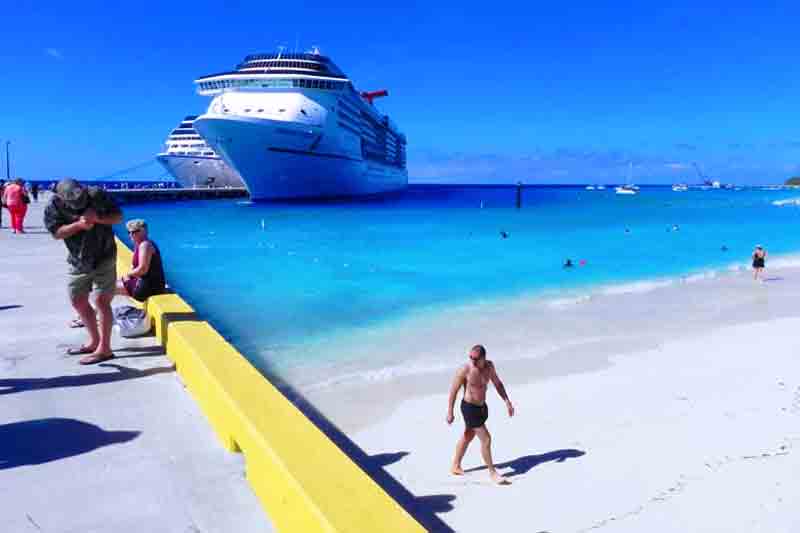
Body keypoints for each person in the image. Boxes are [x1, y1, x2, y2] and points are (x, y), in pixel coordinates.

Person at [44, 178, 123, 364]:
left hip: (104, 255)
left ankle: (104, 349)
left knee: (101, 301)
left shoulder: (96, 195)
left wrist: (98, 219)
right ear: (61, 198)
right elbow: (56, 233)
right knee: (77, 300)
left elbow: (118, 217)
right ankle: (94, 340)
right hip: (78, 260)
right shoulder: (54, 206)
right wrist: (78, 225)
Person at [447, 344, 514, 485]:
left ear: (483, 358)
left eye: (475, 358)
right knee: (486, 439)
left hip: (482, 408)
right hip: (469, 408)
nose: (472, 361)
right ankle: (492, 473)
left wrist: (507, 401)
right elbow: (453, 390)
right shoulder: (465, 370)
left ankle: (455, 465)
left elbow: (497, 383)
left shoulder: (489, 367)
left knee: (468, 435)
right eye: (470, 357)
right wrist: (450, 411)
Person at [116, 219, 167, 302]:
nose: (131, 235)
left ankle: (102, 312)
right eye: (129, 232)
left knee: (105, 288)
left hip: (148, 288)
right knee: (109, 284)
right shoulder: (140, 243)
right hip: (146, 283)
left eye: (134, 232)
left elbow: (142, 269)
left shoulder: (145, 245)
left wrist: (127, 275)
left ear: (144, 231)